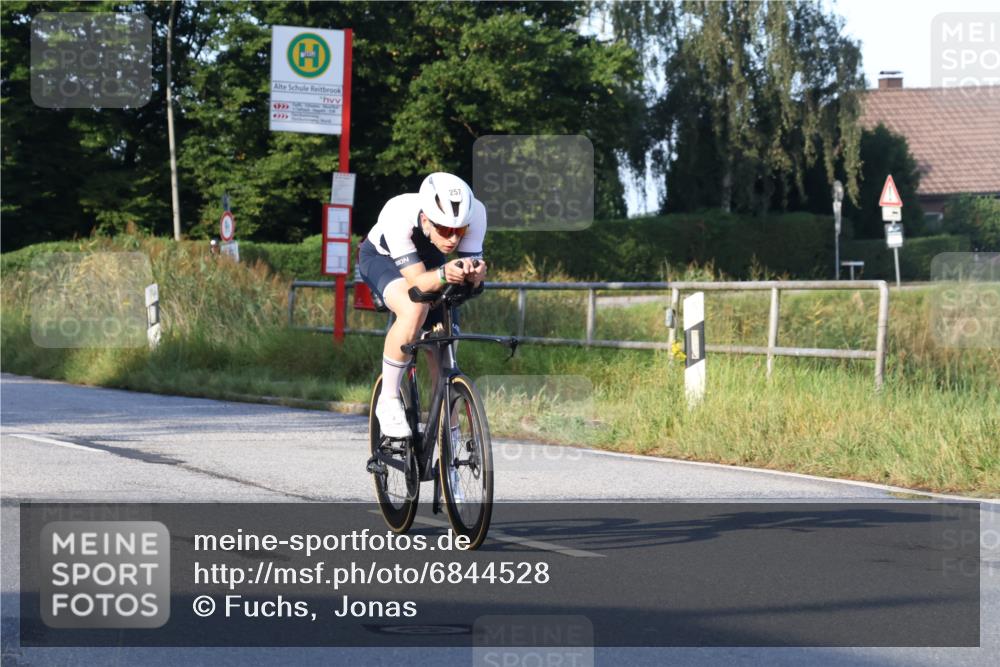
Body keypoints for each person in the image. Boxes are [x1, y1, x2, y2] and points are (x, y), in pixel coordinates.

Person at [359, 172, 488, 439]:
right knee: (415, 307)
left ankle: (449, 438)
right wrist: (444, 274)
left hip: (431, 260)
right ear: (426, 219)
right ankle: (389, 399)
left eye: (460, 231)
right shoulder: (399, 212)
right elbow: (417, 283)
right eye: (445, 230)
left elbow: (470, 279)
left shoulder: (476, 213)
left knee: (445, 349)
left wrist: (476, 276)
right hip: (383, 259)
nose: (453, 239)